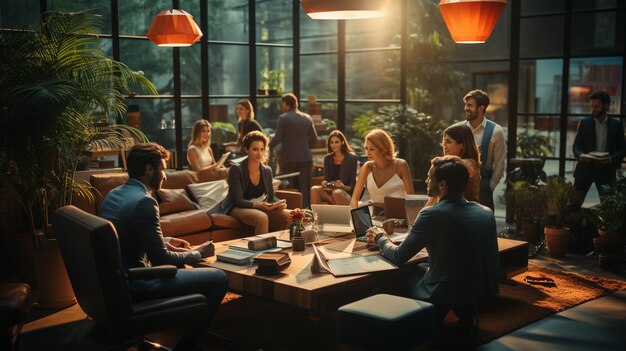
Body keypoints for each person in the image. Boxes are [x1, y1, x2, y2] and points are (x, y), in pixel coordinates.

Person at [100, 142, 228, 351]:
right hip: (138, 283)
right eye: (163, 169)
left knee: (183, 266)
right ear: (149, 170)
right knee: (219, 278)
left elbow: (128, 236)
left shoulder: (113, 193)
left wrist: (166, 241)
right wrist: (198, 253)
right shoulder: (145, 202)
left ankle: (179, 323)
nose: (165, 176)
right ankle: (188, 344)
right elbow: (161, 260)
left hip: (117, 282)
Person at [366, 155, 499, 335]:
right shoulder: (485, 212)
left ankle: (399, 329)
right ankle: (462, 313)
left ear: (442, 184)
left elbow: (399, 256)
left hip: (441, 291)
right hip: (475, 290)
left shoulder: (432, 214)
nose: (427, 180)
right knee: (422, 266)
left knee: (391, 273)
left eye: (430, 177)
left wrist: (380, 238)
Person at [220, 131, 290, 234]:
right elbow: (238, 200)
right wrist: (260, 205)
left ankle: (280, 245)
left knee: (291, 215)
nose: (259, 153)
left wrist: (278, 203)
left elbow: (271, 197)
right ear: (246, 149)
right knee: (262, 217)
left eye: (262, 149)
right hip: (237, 207)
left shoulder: (267, 171)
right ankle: (261, 249)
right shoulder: (236, 169)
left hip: (258, 206)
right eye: (255, 149)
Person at [572, 91, 626, 203]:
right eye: (592, 106)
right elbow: (576, 147)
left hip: (605, 173)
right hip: (584, 172)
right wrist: (581, 156)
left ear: (606, 106)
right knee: (577, 209)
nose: (593, 109)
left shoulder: (616, 125)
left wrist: (610, 159)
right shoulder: (584, 123)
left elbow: (623, 150)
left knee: (603, 210)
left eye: (596, 106)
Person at [269, 93, 318, 208]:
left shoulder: (283, 118)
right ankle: (306, 212)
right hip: (305, 158)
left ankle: (291, 211)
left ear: (286, 104)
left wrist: (267, 145)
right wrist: (304, 146)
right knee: (304, 188)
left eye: (282, 104)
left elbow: (277, 138)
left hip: (289, 158)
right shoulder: (307, 118)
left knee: (287, 187)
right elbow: (314, 139)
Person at [461, 89, 506, 211]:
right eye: (466, 105)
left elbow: (500, 164)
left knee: (484, 226)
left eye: (470, 105)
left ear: (481, 108)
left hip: (484, 188)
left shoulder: (496, 131)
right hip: (459, 187)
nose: (466, 108)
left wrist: (490, 187)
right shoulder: (459, 129)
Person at [349, 129, 414, 210]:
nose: (368, 152)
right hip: (374, 215)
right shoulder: (367, 167)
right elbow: (354, 199)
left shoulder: (401, 165)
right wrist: (356, 216)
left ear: (383, 149)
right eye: (366, 148)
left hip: (398, 215)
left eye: (372, 149)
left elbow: (412, 200)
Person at [426, 124, 481, 206]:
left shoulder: (467, 165)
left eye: (448, 142)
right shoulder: (461, 164)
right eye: (443, 142)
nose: (444, 146)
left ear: (463, 145)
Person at [310, 130, 359, 205]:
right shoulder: (327, 158)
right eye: (331, 142)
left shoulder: (352, 158)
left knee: (337, 193)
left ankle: (334, 204)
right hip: (330, 191)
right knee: (314, 189)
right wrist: (324, 183)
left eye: (337, 142)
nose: (334, 145)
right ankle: (318, 215)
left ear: (342, 142)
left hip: (345, 192)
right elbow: (326, 179)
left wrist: (342, 186)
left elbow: (353, 186)